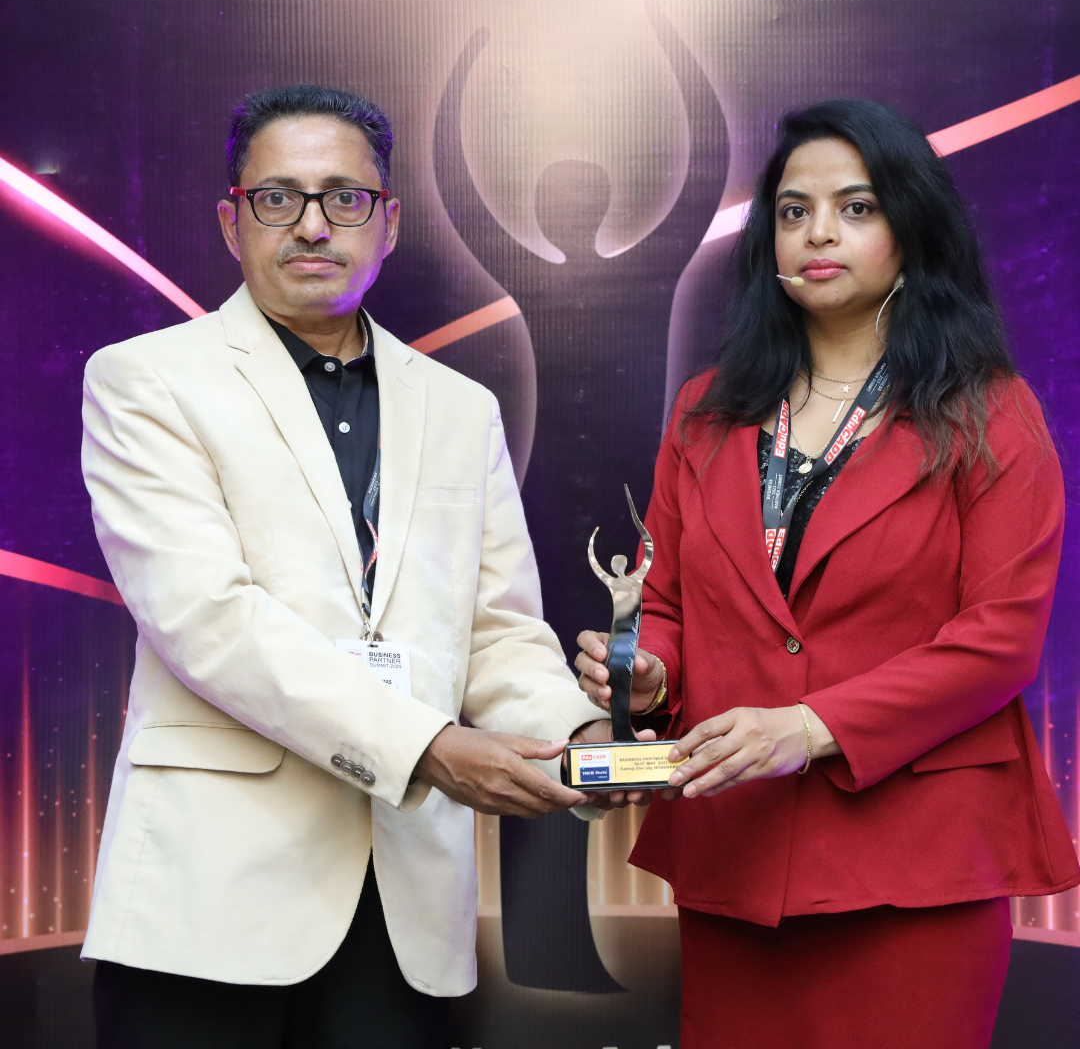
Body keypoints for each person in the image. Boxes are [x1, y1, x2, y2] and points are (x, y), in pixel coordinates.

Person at [80, 83, 615, 1049]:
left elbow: (497, 631)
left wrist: (580, 738)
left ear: (389, 222)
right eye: (277, 197)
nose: (313, 224)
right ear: (232, 222)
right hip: (210, 898)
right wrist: (430, 748)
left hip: (406, 905)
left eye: (345, 197)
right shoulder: (145, 380)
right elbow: (209, 620)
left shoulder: (461, 408)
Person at [575, 98, 1080, 1049]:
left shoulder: (989, 412)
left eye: (856, 207)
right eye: (794, 211)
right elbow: (669, 603)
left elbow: (1001, 642)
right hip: (736, 850)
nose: (818, 233)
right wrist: (649, 672)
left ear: (911, 228)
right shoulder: (705, 413)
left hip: (915, 865)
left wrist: (808, 727)